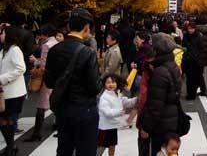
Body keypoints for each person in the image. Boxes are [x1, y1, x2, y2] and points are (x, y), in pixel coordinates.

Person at [45, 8, 102, 156]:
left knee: (64, 149)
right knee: (86, 151)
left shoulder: (54, 50)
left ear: (69, 27)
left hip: (62, 110)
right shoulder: (88, 52)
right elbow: (95, 87)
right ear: (86, 28)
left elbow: (50, 82)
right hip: (84, 110)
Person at [137, 34, 181, 156]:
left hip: (161, 124)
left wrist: (146, 127)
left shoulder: (159, 72)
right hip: (171, 120)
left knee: (159, 151)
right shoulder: (173, 66)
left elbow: (155, 105)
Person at [25, 26, 60, 142]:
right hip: (57, 77)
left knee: (41, 105)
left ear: (45, 35)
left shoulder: (46, 45)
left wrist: (35, 60)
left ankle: (37, 133)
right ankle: (60, 126)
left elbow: (44, 65)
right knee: (56, 102)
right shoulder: (58, 43)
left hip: (48, 78)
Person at [0, 26, 27, 155]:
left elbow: (21, 68)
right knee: (3, 120)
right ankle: (11, 146)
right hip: (5, 92)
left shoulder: (15, 50)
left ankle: (10, 147)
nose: (1, 35)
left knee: (8, 119)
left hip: (14, 92)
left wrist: (2, 79)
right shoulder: (4, 51)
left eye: (3, 33)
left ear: (9, 35)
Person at [98, 74, 137, 156]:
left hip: (113, 126)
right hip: (105, 127)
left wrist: (136, 99)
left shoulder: (117, 94)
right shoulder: (104, 97)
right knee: (101, 146)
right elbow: (107, 112)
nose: (111, 84)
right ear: (104, 85)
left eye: (113, 82)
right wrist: (119, 111)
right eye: (108, 83)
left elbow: (126, 102)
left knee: (112, 145)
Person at [182, 22, 202, 100]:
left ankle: (193, 93)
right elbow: (183, 45)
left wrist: (198, 56)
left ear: (195, 29)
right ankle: (189, 94)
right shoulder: (185, 36)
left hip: (195, 60)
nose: (190, 30)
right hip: (187, 60)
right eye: (189, 28)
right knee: (189, 78)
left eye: (192, 28)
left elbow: (201, 48)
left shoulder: (198, 36)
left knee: (195, 78)